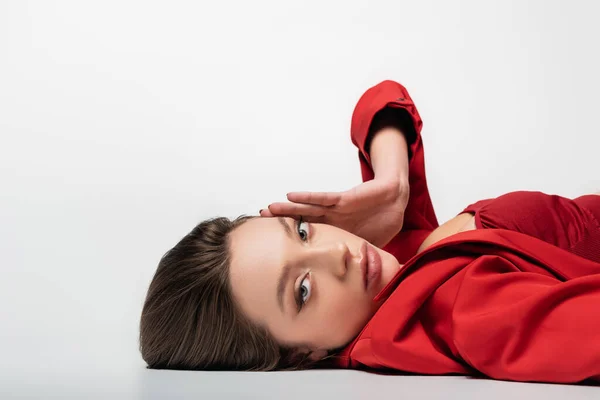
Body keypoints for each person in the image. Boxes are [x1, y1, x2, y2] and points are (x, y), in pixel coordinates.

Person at [139, 80, 600, 383]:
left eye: (301, 233)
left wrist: (393, 187)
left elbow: (381, 99)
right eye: (302, 291)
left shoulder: (398, 274)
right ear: (301, 356)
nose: (335, 256)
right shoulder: (460, 310)